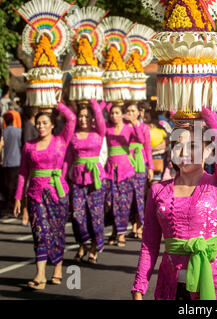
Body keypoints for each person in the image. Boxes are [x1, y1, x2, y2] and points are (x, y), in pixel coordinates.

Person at [132, 107, 217, 300]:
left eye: (193, 146)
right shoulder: (157, 191)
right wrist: (139, 287)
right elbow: (149, 244)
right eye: (178, 146)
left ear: (208, 151)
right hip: (171, 287)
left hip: (214, 286)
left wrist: (205, 110)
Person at [13, 102, 76, 290]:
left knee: (57, 231)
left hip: (58, 193)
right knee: (39, 232)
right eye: (38, 123)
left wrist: (55, 102)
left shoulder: (61, 140)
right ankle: (40, 274)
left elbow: (71, 118)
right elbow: (23, 173)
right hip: (35, 195)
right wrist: (18, 197)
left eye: (44, 123)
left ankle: (57, 268)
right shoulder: (29, 146)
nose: (40, 126)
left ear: (52, 125)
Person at [64, 100, 108, 264]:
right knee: (77, 214)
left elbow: (100, 116)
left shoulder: (99, 132)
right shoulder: (73, 136)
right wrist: (62, 179)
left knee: (95, 215)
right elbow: (67, 160)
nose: (83, 119)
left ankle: (94, 246)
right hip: (76, 179)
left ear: (92, 118)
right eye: (80, 116)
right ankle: (82, 243)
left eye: (86, 116)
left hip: (95, 179)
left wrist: (91, 99)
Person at [103, 102, 145, 247]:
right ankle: (115, 230)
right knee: (110, 202)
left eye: (117, 113)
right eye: (112, 113)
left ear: (122, 114)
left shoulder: (128, 128)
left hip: (126, 170)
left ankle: (120, 234)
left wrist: (134, 122)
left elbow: (142, 140)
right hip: (109, 169)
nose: (114, 116)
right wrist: (108, 99)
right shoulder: (107, 129)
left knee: (123, 203)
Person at [124, 101, 154, 239]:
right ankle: (132, 225)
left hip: (140, 163)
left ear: (138, 113)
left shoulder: (143, 127)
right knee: (127, 197)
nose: (130, 114)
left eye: (132, 111)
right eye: (128, 111)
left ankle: (140, 225)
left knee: (139, 197)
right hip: (126, 162)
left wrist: (151, 168)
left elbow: (146, 145)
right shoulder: (122, 127)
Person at [2, 112, 22, 212]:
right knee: (14, 184)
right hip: (16, 160)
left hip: (6, 161)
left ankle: (8, 203)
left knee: (7, 184)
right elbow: (21, 144)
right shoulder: (18, 131)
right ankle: (14, 203)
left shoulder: (3, 132)